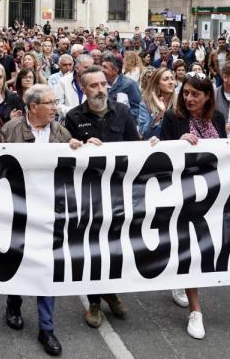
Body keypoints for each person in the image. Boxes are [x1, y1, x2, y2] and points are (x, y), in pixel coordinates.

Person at [0, 84, 81, 355]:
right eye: (49, 103)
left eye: (55, 102)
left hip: (50, 212)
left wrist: (81, 148)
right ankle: (13, 304)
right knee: (16, 259)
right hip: (16, 209)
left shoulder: (62, 133)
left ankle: (46, 329)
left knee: (47, 269)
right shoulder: (12, 129)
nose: (54, 107)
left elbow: (73, 168)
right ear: (33, 107)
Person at [63, 66, 139, 328]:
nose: (100, 89)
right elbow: (64, 156)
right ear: (83, 88)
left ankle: (111, 291)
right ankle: (94, 301)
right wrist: (79, 147)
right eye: (93, 85)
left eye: (104, 84)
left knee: (116, 246)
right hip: (89, 195)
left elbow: (136, 147)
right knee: (92, 248)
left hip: (118, 191)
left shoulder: (123, 112)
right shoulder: (73, 117)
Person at [157, 73, 227, 339]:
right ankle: (195, 311)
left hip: (211, 194)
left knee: (202, 247)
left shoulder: (217, 118)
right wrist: (178, 144)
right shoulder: (173, 118)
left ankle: (178, 280)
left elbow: (224, 151)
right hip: (182, 194)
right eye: (185, 93)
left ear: (208, 96)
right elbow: (159, 153)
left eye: (195, 94)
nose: (188, 98)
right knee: (189, 249)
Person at [137, 67, 176, 139]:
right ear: (157, 83)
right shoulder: (146, 104)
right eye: (166, 79)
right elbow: (145, 134)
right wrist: (160, 115)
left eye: (172, 79)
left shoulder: (180, 102)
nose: (171, 82)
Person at [100, 52, 141, 116]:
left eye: (105, 67)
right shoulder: (100, 83)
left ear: (115, 70)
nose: (101, 70)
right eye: (101, 66)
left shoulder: (129, 84)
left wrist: (122, 119)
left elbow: (137, 109)